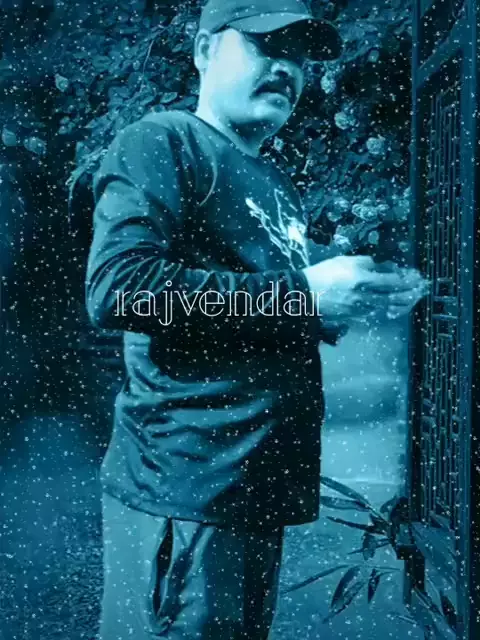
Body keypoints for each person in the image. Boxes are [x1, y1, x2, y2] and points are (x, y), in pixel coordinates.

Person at [85, 1, 429, 638]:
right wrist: (303, 295)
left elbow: (268, 309)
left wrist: (353, 297)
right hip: (185, 492)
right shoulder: (162, 140)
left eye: (298, 55)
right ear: (204, 50)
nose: (286, 67)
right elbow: (122, 292)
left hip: (252, 498)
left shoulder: (274, 184)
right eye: (265, 44)